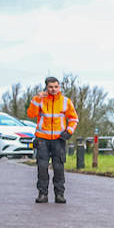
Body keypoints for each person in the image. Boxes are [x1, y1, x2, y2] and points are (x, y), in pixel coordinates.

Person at [26, 76, 79, 205]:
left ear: (59, 87)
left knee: (58, 167)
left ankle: (59, 194)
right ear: (46, 87)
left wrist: (69, 131)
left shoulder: (65, 101)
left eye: (56, 86)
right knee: (42, 167)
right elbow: (31, 114)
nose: (53, 89)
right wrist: (36, 99)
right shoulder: (40, 100)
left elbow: (74, 119)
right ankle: (42, 194)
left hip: (59, 139)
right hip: (42, 139)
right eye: (50, 87)